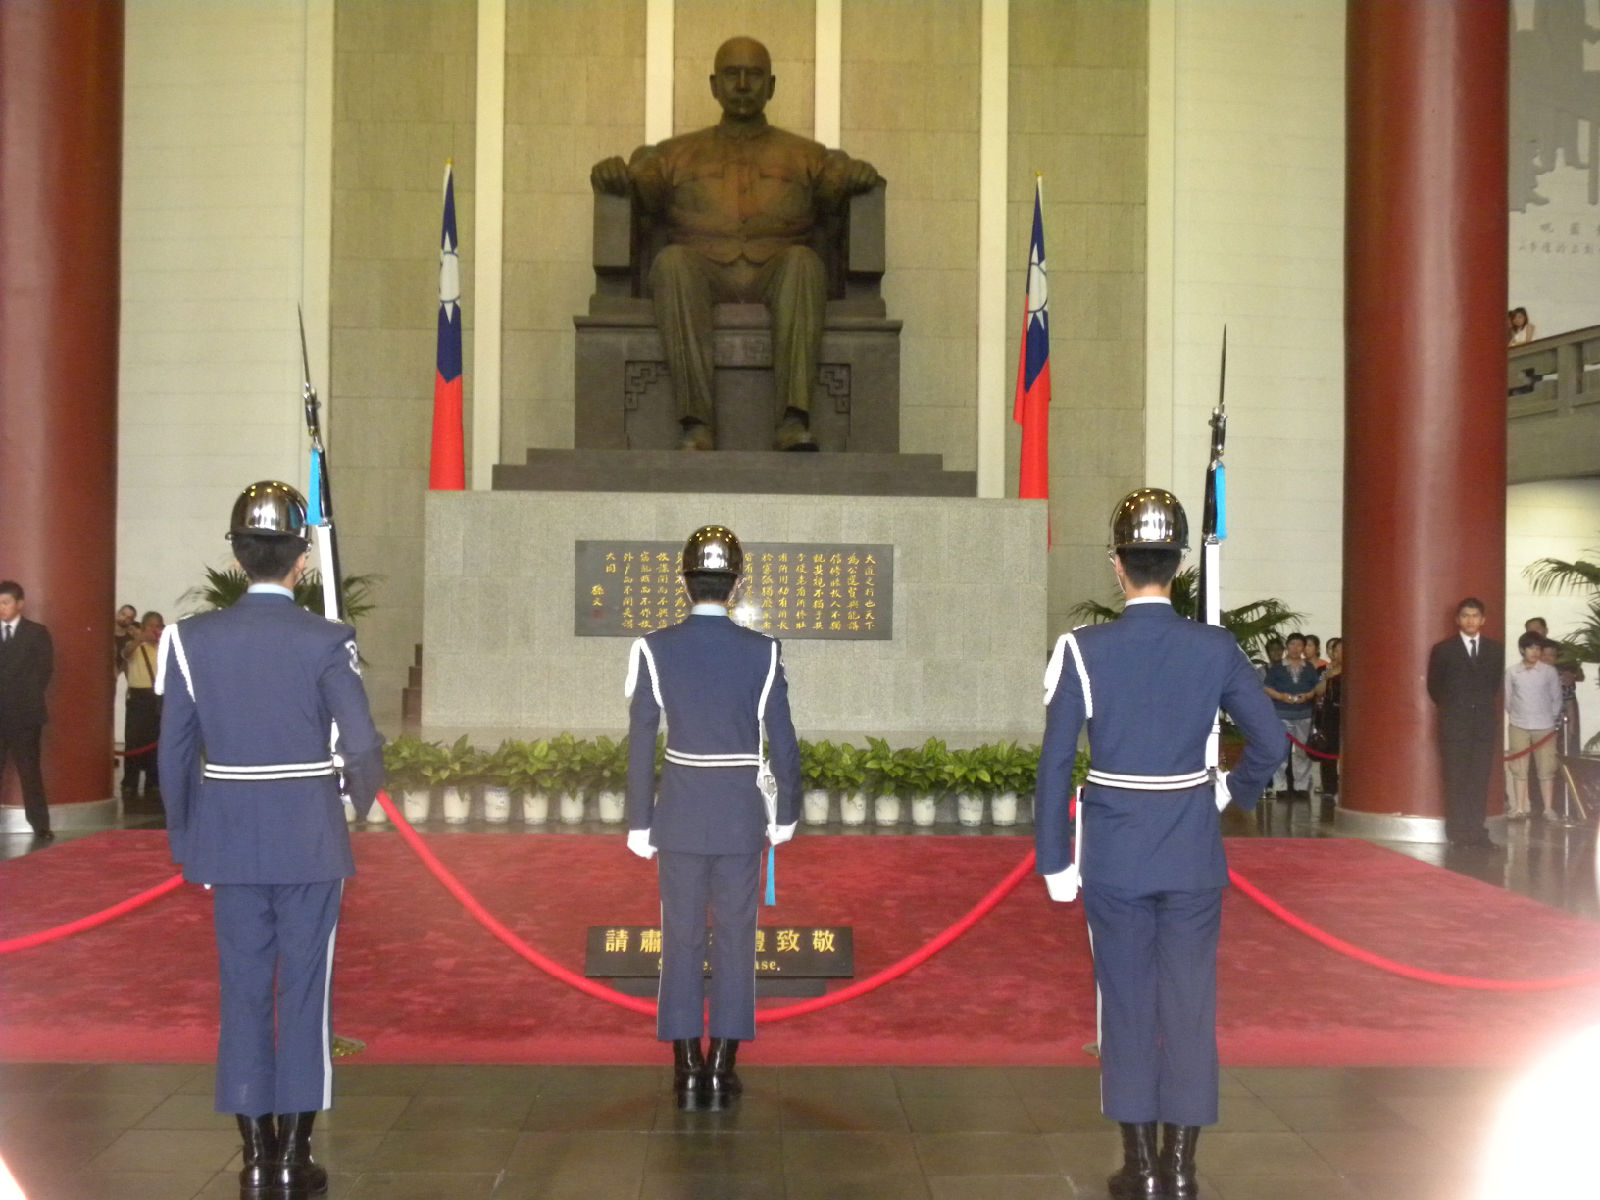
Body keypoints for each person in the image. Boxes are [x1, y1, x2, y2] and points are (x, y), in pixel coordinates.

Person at [1034, 488, 1286, 1200]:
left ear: (1118, 565)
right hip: (1192, 848)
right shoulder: (1215, 647)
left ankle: (1139, 1164)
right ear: (1176, 565)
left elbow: (1056, 762)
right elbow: (1270, 742)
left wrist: (1054, 858)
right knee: (1190, 1004)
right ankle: (1182, 1166)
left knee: (1126, 1003)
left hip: (1114, 851)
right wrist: (1228, 794)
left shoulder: (1083, 649)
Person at [156, 482, 383, 1200]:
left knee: (244, 988)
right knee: (305, 990)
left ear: (237, 556)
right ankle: (295, 1152)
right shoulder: (327, 639)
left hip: (228, 837)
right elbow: (363, 745)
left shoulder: (189, 639)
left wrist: (188, 841)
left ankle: (254, 1153)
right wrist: (354, 797)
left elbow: (173, 754)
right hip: (308, 835)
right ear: (300, 560)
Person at [591, 36, 882, 452]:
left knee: (803, 262)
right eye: (732, 74)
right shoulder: (674, 154)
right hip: (701, 270)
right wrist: (614, 175)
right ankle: (696, 424)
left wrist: (859, 175)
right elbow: (639, 185)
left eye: (754, 75)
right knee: (672, 263)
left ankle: (793, 421)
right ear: (714, 85)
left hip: (778, 272)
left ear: (771, 86)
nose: (743, 84)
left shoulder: (806, 155)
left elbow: (841, 180)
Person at [623, 525, 802, 1110]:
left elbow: (642, 741)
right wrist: (787, 811)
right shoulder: (763, 651)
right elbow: (782, 737)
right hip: (740, 814)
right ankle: (722, 1065)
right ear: (737, 583)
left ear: (684, 582)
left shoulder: (655, 648)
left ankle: (684, 1066)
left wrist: (639, 821)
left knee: (679, 936)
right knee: (735, 936)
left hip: (678, 812)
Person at [1426, 598, 1504, 850]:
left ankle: (1477, 832)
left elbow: (1493, 686)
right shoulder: (1443, 649)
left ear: (1483, 620)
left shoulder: (1495, 650)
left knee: (1479, 781)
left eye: (1475, 616)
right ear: (1457, 619)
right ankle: (1458, 833)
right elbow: (1434, 688)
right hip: (1454, 727)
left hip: (1483, 726)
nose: (1470, 620)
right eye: (1465, 616)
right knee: (1456, 780)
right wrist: (1456, 709)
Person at [0, 581, 54, 841]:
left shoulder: (36, 632)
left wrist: (21, 696)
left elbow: (44, 671)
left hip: (25, 715)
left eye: (5, 602)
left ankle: (40, 825)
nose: (1, 608)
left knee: (30, 772)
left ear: (19, 604)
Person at [1504, 631, 1562, 821]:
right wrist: (1518, 716)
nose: (1535, 652)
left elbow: (1556, 698)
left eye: (1538, 648)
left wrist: (1550, 719)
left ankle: (1548, 808)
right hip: (1518, 724)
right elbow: (1508, 699)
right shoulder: (1512, 672)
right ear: (1522, 650)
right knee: (1519, 768)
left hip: (1545, 727)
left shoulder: (1549, 671)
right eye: (1530, 648)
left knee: (1547, 768)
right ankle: (1520, 808)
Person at [1262, 632, 1317, 800]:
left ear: (1303, 648)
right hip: (1281, 715)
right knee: (1281, 751)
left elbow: (1316, 688)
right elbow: (1266, 688)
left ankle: (1301, 786)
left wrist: (1307, 696)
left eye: (1299, 645)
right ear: (1287, 646)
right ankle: (1281, 787)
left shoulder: (1309, 668)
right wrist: (1281, 696)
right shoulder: (1277, 667)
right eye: (1292, 644)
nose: (1295, 648)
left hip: (1304, 715)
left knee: (1302, 752)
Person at [121, 611, 165, 806]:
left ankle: (153, 781)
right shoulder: (135, 646)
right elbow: (125, 654)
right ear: (144, 626)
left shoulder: (165, 647)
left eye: (159, 626)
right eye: (151, 625)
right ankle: (130, 782)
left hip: (158, 698)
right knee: (134, 740)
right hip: (138, 698)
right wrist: (139, 639)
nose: (155, 629)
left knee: (156, 740)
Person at [1310, 636, 1344, 818]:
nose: (1339, 653)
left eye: (1343, 650)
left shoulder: (1355, 669)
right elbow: (1318, 690)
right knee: (1329, 750)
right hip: (1330, 715)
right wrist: (1327, 676)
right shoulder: (1325, 670)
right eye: (1336, 650)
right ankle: (1329, 787)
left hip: (1347, 715)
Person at [114, 604, 139, 673]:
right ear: (118, 613)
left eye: (129, 618)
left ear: (132, 621)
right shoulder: (104, 633)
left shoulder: (130, 641)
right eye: (123, 614)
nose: (124, 618)